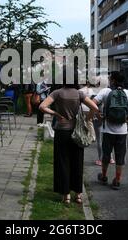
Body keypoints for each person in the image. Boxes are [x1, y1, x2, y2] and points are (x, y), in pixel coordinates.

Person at [39, 71, 99, 204]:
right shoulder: (79, 94)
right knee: (77, 161)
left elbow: (42, 106)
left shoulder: (57, 93)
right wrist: (87, 119)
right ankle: (78, 194)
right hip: (77, 132)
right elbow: (95, 107)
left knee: (62, 162)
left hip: (62, 131)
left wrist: (55, 113)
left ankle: (65, 195)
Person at [94, 71, 128, 190]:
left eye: (110, 79)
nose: (109, 80)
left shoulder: (106, 91)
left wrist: (98, 115)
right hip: (122, 132)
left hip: (107, 130)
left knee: (106, 154)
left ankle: (104, 176)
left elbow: (94, 103)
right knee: (119, 156)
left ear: (114, 81)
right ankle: (117, 180)